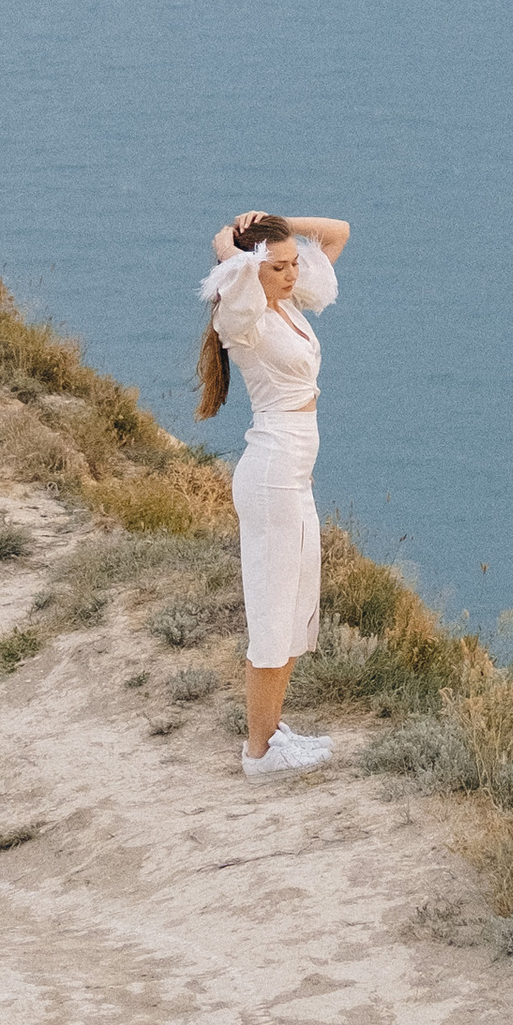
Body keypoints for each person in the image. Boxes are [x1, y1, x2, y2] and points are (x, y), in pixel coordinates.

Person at [197, 209, 352, 776]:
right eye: (279, 267)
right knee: (271, 611)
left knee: (292, 609)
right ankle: (258, 753)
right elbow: (233, 260)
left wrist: (274, 218)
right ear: (249, 269)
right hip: (271, 476)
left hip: (293, 475)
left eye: (293, 265)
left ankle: (270, 732)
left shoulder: (284, 302)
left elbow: (337, 232)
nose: (292, 274)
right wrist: (231, 239)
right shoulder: (242, 319)